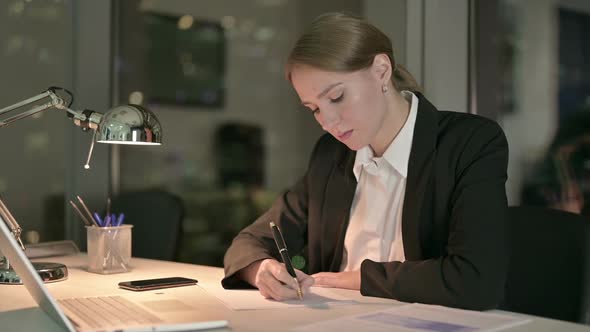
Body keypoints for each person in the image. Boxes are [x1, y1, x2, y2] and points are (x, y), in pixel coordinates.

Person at [222, 12, 509, 310]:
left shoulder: (469, 143)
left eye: (336, 98)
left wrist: (357, 279)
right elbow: (248, 243)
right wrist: (262, 270)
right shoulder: (330, 154)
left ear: (381, 70)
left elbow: (476, 280)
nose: (327, 122)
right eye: (314, 109)